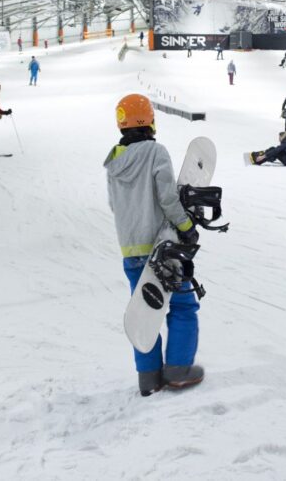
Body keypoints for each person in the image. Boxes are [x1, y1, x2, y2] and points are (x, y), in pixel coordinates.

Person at [103, 94, 203, 396]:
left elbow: (113, 205)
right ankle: (178, 371)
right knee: (183, 306)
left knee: (145, 312)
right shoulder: (155, 152)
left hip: (131, 252)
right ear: (150, 120)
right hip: (163, 249)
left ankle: (148, 378)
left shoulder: (114, 162)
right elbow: (168, 198)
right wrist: (186, 227)